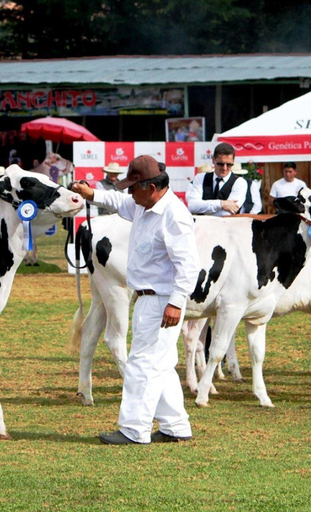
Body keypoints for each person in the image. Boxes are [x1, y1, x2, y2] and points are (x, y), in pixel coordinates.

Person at [72, 155, 200, 445]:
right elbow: (118, 202)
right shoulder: (144, 204)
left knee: (142, 364)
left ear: (151, 186)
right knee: (161, 364)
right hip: (149, 299)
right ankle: (175, 426)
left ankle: (134, 429)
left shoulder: (174, 216)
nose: (129, 193)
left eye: (133, 187)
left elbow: (188, 265)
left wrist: (177, 302)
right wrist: (91, 194)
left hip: (162, 300)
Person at [186, 142, 247, 216]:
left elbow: (229, 212)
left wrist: (203, 211)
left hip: (228, 226)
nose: (224, 168)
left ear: (233, 161)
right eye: (220, 164)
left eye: (229, 164)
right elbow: (192, 206)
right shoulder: (200, 178)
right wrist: (221, 204)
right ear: (213, 159)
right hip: (202, 227)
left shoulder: (240, 182)